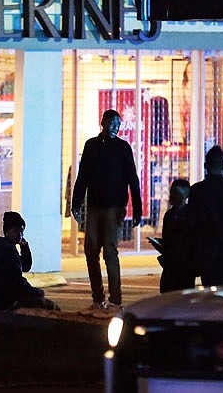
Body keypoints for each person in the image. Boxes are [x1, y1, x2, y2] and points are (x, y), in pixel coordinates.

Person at [71, 109, 142, 315]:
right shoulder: (91, 146)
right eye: (112, 123)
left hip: (114, 208)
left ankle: (115, 300)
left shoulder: (123, 148)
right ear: (102, 122)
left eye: (118, 124)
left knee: (110, 252)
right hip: (94, 206)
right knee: (90, 250)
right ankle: (98, 298)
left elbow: (132, 179)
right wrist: (75, 203)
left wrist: (137, 208)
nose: (116, 127)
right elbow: (82, 175)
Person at [188, 145, 223, 286]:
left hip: (208, 250)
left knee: (212, 294)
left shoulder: (197, 190)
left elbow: (192, 222)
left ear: (205, 165)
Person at [0, 211, 59, 312]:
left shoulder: (5, 247)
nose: (20, 235)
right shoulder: (6, 250)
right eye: (16, 231)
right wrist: (35, 292)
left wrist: (24, 247)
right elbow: (17, 281)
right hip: (5, 298)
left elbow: (25, 267)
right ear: (7, 232)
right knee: (50, 306)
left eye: (21, 231)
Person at [158, 179, 196, 293]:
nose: (172, 196)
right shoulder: (170, 214)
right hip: (172, 264)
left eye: (175, 193)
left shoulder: (190, 215)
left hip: (183, 265)